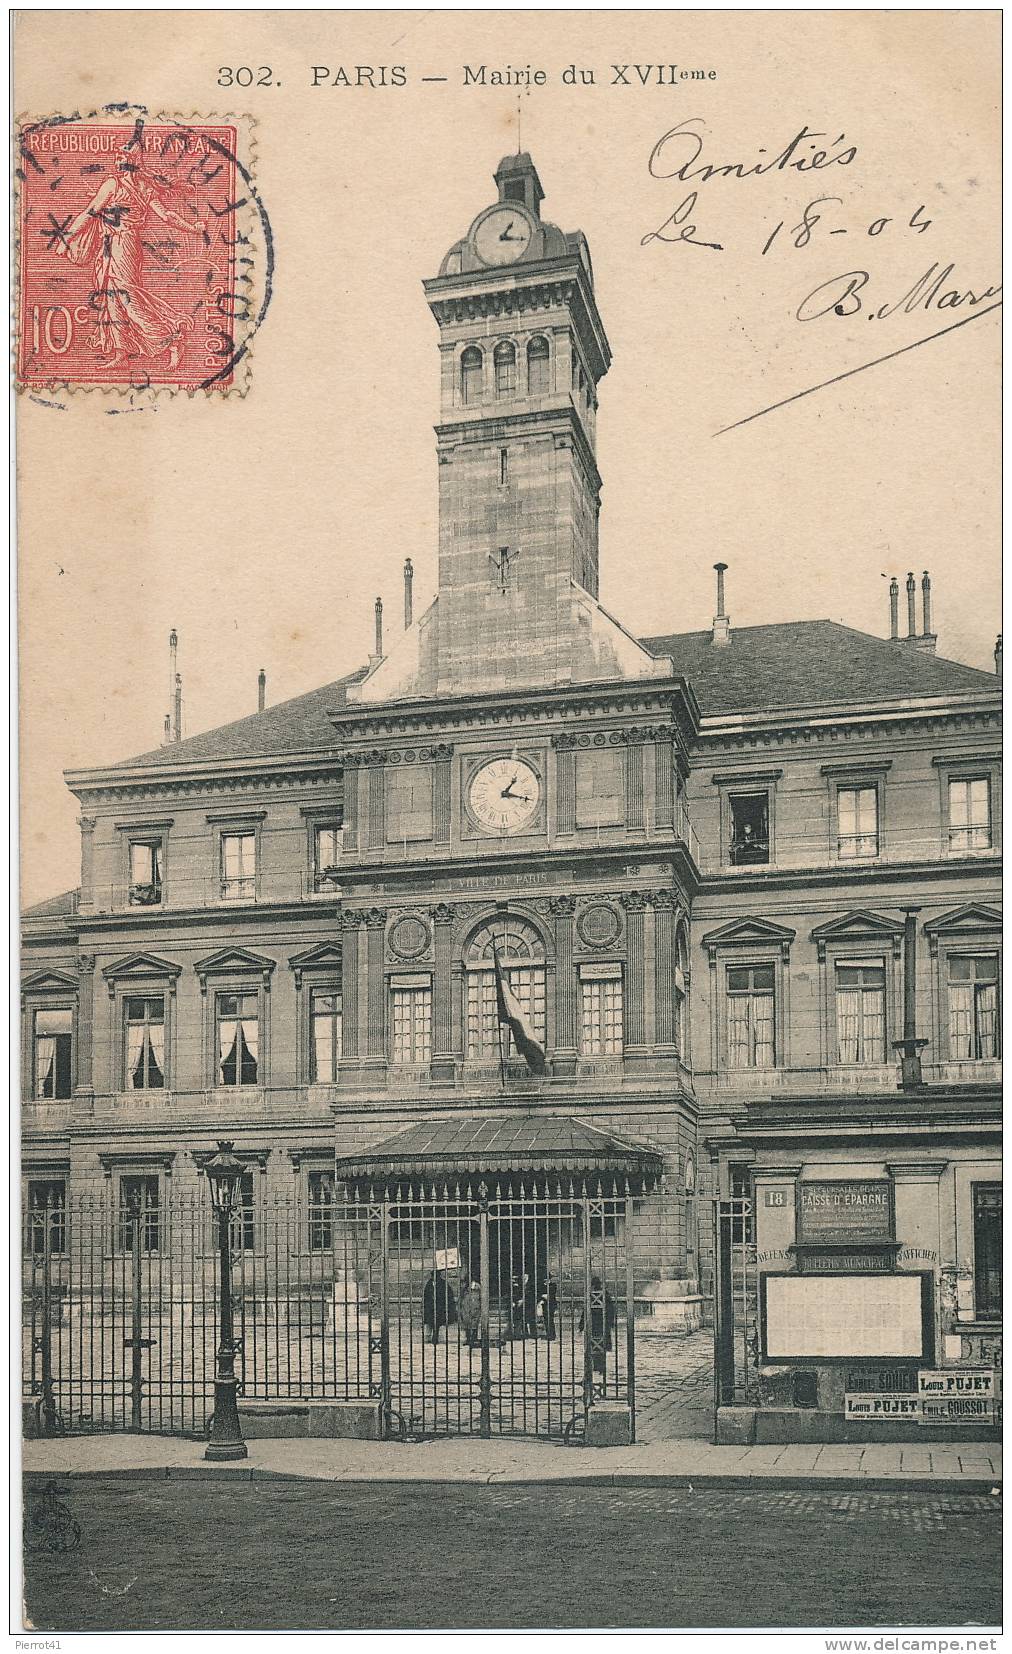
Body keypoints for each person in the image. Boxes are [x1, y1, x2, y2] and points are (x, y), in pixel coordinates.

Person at [52, 149, 206, 370]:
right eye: (117, 156)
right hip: (114, 245)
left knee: (128, 299)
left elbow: (165, 216)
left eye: (122, 155)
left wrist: (192, 229)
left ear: (133, 159)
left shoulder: (127, 186)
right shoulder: (128, 185)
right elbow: (91, 213)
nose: (118, 159)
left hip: (123, 245)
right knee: (112, 297)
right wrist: (192, 228)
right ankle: (121, 352)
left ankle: (172, 340)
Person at [579, 1275, 617, 1376]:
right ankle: (601, 1367)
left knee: (594, 1345)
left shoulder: (591, 1295)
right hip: (603, 1324)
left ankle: (596, 1366)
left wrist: (581, 1325)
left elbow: (585, 1311)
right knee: (602, 1345)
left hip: (594, 1324)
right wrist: (611, 1323)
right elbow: (611, 1310)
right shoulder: (605, 1294)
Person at [422, 1269, 457, 1344]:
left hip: (439, 1307)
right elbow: (426, 1295)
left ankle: (435, 1337)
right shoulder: (429, 1284)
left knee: (436, 1323)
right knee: (430, 1322)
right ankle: (429, 1336)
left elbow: (448, 1295)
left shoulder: (443, 1284)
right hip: (430, 1307)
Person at [458, 1280, 482, 1350]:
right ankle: (468, 1339)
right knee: (467, 1324)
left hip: (475, 1307)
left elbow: (481, 1298)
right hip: (466, 1308)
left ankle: (474, 1339)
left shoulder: (477, 1287)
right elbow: (461, 1298)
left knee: (474, 1324)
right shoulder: (464, 1289)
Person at [538, 1273, 558, 1342]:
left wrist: (545, 1295)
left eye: (547, 1279)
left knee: (550, 1320)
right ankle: (548, 1334)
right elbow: (540, 1294)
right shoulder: (543, 1286)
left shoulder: (553, 1285)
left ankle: (552, 1335)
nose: (545, 1281)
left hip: (551, 1305)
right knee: (546, 1320)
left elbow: (551, 1294)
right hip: (544, 1305)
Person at [523, 1270, 539, 1339]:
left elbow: (534, 1294)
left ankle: (534, 1334)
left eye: (526, 1276)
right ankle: (525, 1334)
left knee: (532, 1319)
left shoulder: (531, 1285)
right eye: (523, 1276)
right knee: (524, 1320)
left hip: (530, 1304)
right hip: (523, 1305)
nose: (524, 1277)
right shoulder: (521, 1284)